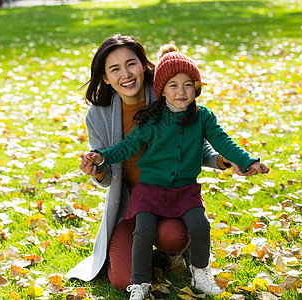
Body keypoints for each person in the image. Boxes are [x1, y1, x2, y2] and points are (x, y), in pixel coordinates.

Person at [64, 34, 259, 294]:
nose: (126, 74)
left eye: (131, 64)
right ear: (105, 78)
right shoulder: (98, 114)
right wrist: (98, 167)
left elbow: (195, 142)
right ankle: (142, 257)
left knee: (175, 237)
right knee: (124, 280)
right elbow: (111, 164)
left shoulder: (166, 92)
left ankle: (176, 255)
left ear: (144, 65)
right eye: (115, 69)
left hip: (170, 193)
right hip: (129, 201)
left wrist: (224, 160)